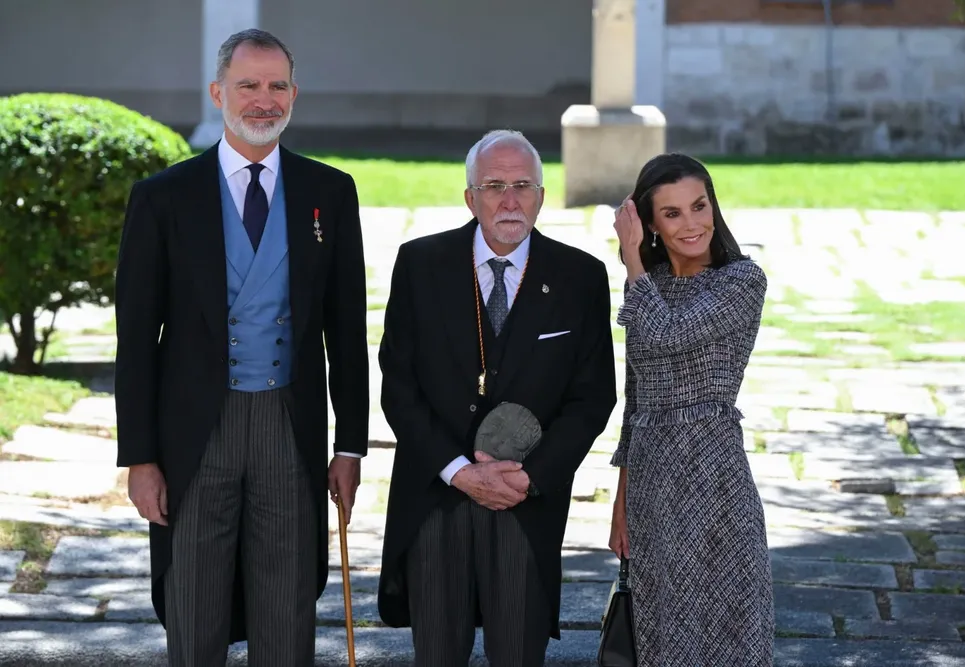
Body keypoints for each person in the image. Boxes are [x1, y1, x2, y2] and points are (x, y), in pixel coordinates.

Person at [114, 29, 369, 666]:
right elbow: (137, 338)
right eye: (248, 85)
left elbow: (346, 326)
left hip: (290, 424)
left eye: (277, 86)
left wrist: (350, 444)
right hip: (197, 432)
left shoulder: (330, 192)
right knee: (193, 604)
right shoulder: (162, 197)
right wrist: (139, 457)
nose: (263, 100)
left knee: (287, 612)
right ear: (218, 92)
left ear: (294, 94)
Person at [375, 129, 618, 666]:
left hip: (525, 502)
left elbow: (593, 397)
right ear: (470, 197)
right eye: (493, 185)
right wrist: (459, 470)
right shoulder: (420, 263)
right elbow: (398, 385)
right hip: (436, 498)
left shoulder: (580, 277)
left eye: (523, 185)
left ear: (541, 195)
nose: (510, 200)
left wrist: (531, 478)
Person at [607, 152, 774, 665]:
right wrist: (622, 499)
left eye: (699, 206)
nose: (692, 223)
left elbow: (667, 335)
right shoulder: (649, 290)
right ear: (651, 222)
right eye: (672, 213)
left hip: (715, 478)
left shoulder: (742, 281)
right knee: (663, 635)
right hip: (653, 487)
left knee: (729, 635)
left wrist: (631, 259)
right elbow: (636, 404)